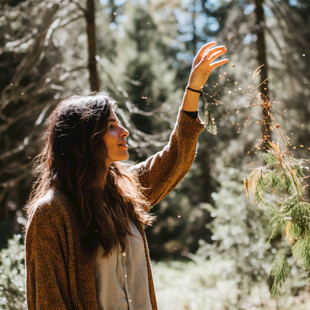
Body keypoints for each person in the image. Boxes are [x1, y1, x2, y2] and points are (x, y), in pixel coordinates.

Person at [25, 42, 228, 310]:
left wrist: (193, 89)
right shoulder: (51, 214)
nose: (124, 131)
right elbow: (49, 303)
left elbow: (176, 158)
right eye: (111, 125)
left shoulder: (125, 191)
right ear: (83, 139)